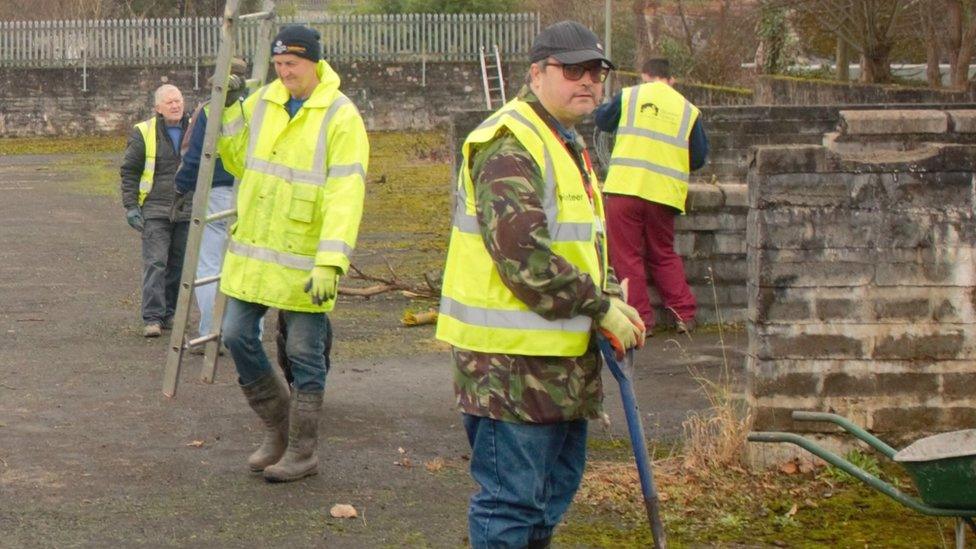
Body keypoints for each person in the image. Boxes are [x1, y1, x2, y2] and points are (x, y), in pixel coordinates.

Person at [435, 20, 645, 548]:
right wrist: (600, 306)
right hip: (507, 369)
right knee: (511, 506)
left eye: (596, 71)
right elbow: (524, 256)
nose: (588, 82)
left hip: (558, 364)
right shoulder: (508, 144)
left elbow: (578, 245)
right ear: (536, 72)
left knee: (547, 500)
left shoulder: (565, 142)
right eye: (572, 69)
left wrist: (611, 296)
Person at [216, 25, 368, 483]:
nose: (285, 74)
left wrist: (331, 261)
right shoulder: (263, 100)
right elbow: (233, 155)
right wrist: (224, 103)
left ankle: (303, 450)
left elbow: (346, 193)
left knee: (304, 351)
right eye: (279, 66)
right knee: (236, 335)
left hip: (305, 257)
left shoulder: (341, 116)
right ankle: (276, 425)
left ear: (315, 64)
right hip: (256, 251)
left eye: (293, 67)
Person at [595, 57, 709, 335]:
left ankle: (641, 321)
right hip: (664, 193)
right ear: (671, 79)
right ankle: (684, 313)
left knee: (626, 257)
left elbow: (602, 120)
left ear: (644, 75)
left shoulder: (630, 96)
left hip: (625, 187)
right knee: (664, 254)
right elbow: (698, 158)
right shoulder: (688, 109)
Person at [174, 58, 250, 351]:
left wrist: (181, 189)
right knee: (244, 265)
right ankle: (246, 335)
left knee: (208, 266)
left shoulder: (208, 109)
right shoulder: (259, 103)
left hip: (217, 192)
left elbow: (195, 156)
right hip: (251, 192)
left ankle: (210, 331)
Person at [120, 84, 191, 338]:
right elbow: (129, 171)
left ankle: (170, 313)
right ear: (158, 108)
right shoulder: (144, 132)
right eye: (170, 102)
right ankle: (152, 317)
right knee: (156, 263)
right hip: (155, 208)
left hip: (186, 208)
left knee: (179, 265)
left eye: (179, 100)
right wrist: (131, 206)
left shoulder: (195, 127)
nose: (176, 105)